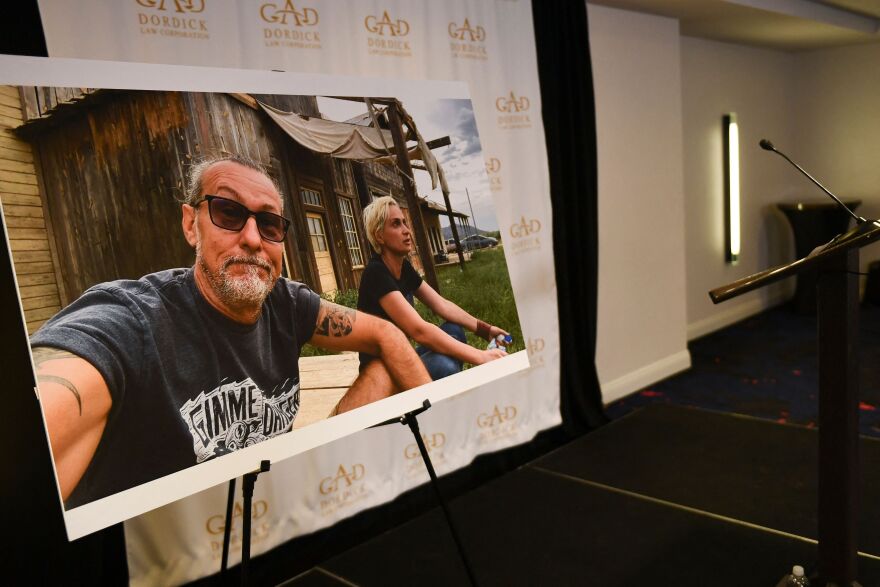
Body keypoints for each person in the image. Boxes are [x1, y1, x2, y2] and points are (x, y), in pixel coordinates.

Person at [30, 155, 431, 508]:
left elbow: (389, 335)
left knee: (384, 367)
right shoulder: (134, 321)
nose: (254, 239)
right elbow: (61, 386)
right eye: (228, 213)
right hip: (179, 554)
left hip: (279, 508)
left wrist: (435, 443)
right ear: (192, 225)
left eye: (270, 224)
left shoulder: (288, 303)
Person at [357, 196, 508, 381]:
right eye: (396, 224)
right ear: (379, 235)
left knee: (454, 329)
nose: (406, 231)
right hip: (381, 375)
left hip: (402, 358)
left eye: (405, 223)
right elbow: (419, 331)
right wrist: (481, 356)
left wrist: (486, 330)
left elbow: (442, 305)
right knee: (444, 366)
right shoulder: (376, 272)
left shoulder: (403, 267)